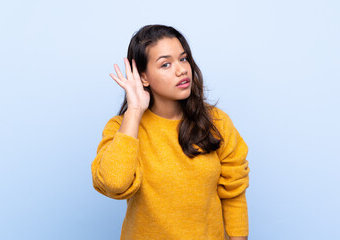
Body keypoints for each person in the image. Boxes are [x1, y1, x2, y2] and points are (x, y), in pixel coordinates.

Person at [91, 24, 250, 240]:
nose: (181, 70)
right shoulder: (122, 128)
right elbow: (114, 184)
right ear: (143, 77)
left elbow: (234, 192)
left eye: (183, 59)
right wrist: (135, 111)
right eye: (166, 64)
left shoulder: (217, 122)